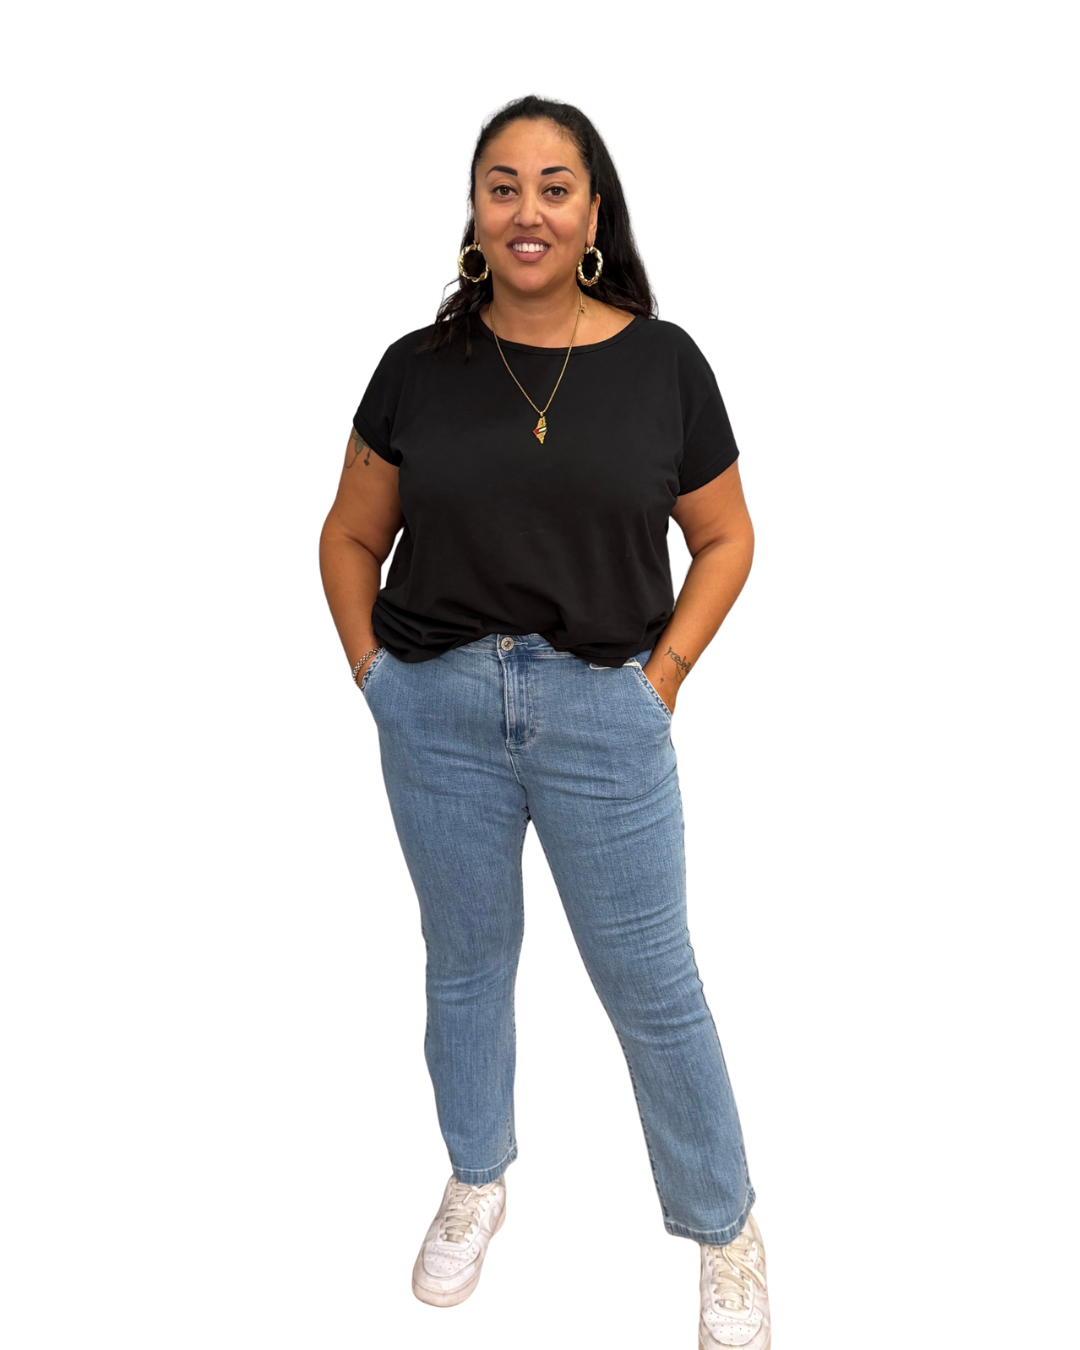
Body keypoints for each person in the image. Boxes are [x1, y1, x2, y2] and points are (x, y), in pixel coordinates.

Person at [319, 94, 770, 1348]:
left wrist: (661, 679)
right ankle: (477, 1175)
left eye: (554, 187)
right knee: (465, 963)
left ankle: (724, 1225)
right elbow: (349, 535)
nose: (528, 211)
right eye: (503, 185)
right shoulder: (417, 369)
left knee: (653, 984)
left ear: (592, 212)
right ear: (476, 212)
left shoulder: (663, 364)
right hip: (437, 707)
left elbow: (727, 538)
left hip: (602, 711)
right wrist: (377, 677)